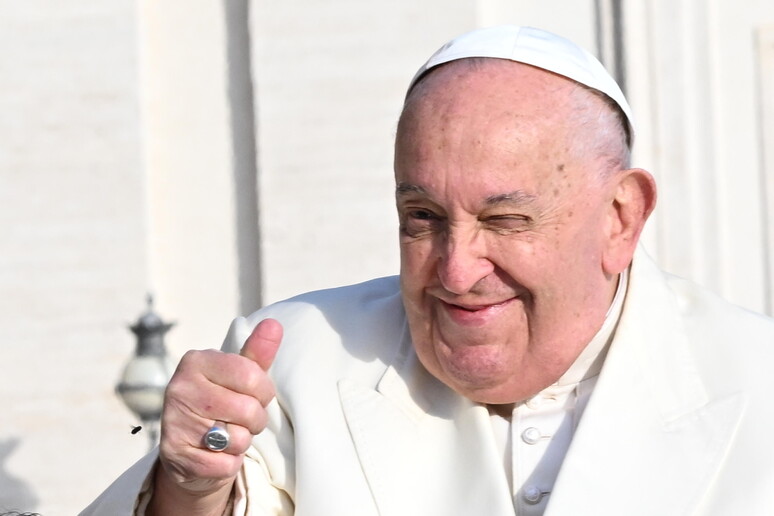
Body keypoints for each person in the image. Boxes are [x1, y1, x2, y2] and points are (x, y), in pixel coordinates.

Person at [81, 25, 774, 516]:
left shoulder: (757, 382)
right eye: (423, 217)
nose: (457, 269)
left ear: (620, 217)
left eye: (505, 220)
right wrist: (188, 491)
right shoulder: (292, 365)